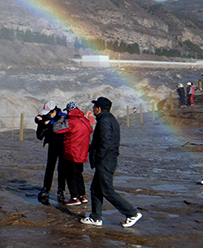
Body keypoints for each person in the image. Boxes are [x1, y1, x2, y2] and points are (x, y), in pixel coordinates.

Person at [81, 97, 142, 228]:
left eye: (94, 107)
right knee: (95, 189)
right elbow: (100, 142)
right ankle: (95, 217)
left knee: (107, 190)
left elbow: (105, 142)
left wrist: (98, 158)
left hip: (106, 160)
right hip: (108, 159)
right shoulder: (110, 119)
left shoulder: (104, 120)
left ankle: (132, 213)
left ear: (98, 108)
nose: (92, 109)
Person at [55, 102, 92, 206]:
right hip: (82, 151)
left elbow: (56, 129)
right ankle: (82, 196)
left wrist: (62, 118)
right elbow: (90, 130)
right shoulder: (85, 120)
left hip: (71, 151)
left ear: (69, 111)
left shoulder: (70, 122)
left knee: (70, 175)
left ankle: (74, 197)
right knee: (79, 174)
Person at [34, 101, 66, 201]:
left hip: (63, 145)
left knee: (62, 169)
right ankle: (46, 189)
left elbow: (60, 124)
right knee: (50, 167)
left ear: (54, 111)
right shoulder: (47, 117)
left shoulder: (63, 116)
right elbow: (39, 119)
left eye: (49, 113)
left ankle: (61, 190)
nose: (47, 114)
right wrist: (40, 120)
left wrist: (49, 122)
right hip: (52, 144)